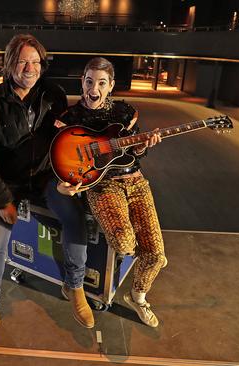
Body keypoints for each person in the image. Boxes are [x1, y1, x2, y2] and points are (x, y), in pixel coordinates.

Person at [0, 34, 93, 359]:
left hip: (43, 178)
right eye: (24, 61)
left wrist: (68, 179)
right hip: (7, 182)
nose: (31, 68)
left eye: (36, 62)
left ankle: (74, 285)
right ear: (10, 63)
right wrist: (0, 199)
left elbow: (67, 141)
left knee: (74, 217)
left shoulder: (53, 94)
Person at [58, 57, 167, 327]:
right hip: (102, 185)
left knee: (156, 255)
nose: (94, 88)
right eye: (89, 81)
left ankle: (137, 297)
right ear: (82, 82)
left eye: (101, 83)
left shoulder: (124, 113)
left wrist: (144, 145)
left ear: (111, 86)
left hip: (137, 181)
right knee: (124, 243)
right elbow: (62, 154)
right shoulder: (69, 118)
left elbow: (136, 150)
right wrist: (66, 178)